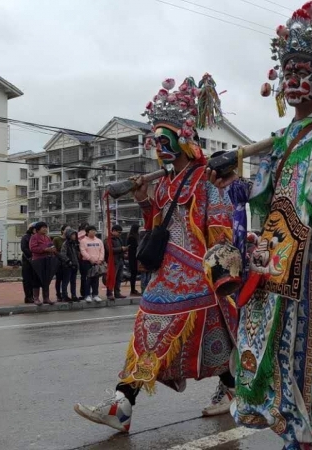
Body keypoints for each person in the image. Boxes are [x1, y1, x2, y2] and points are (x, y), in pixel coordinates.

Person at [207, 3, 312, 446]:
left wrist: (294, 240)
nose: (292, 80)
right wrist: (240, 188)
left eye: (303, 70)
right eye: (287, 72)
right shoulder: (286, 142)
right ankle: (296, 437)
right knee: (279, 362)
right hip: (277, 269)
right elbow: (267, 199)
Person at [74, 74, 238, 432]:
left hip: (199, 274)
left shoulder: (206, 179)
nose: (159, 148)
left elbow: (222, 227)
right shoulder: (163, 183)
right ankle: (126, 403)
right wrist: (144, 199)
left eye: (165, 141)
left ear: (183, 140)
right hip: (166, 274)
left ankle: (125, 404)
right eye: (156, 141)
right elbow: (157, 226)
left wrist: (219, 272)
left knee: (197, 341)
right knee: (153, 330)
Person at [29, 222, 59, 305]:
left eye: (46, 227)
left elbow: (52, 246)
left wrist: (53, 249)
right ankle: (36, 298)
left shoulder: (47, 238)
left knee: (46, 279)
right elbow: (33, 248)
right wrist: (45, 249)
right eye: (43, 227)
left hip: (47, 260)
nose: (45, 229)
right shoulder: (34, 237)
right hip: (37, 261)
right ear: (38, 229)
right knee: (37, 279)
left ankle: (46, 298)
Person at [79, 225, 104, 303]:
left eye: (94, 230)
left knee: (95, 279)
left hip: (97, 262)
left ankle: (95, 295)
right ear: (87, 232)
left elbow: (102, 251)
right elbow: (83, 251)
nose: (93, 232)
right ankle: (87, 295)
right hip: (87, 262)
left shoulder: (99, 241)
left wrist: (100, 259)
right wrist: (90, 259)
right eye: (91, 230)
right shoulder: (83, 241)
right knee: (87, 280)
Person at [105, 224, 128, 301]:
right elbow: (110, 250)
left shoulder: (119, 239)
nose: (120, 234)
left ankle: (117, 293)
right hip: (113, 261)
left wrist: (124, 251)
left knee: (119, 278)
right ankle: (109, 293)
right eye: (119, 232)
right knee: (112, 278)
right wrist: (121, 249)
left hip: (120, 260)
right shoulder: (108, 239)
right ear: (113, 231)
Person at [59, 228, 81, 302]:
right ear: (68, 235)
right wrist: (69, 262)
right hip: (67, 266)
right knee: (66, 281)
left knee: (73, 281)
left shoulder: (75, 244)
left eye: (75, 234)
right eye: (72, 234)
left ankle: (74, 295)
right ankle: (64, 296)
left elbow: (77, 255)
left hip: (75, 265)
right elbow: (62, 254)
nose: (74, 236)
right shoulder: (65, 244)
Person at [20, 224, 37, 303]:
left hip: (36, 261)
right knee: (27, 280)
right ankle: (28, 296)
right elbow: (24, 248)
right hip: (27, 261)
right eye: (34, 229)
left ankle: (33, 296)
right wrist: (31, 255)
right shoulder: (25, 237)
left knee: (34, 280)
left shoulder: (37, 237)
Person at [53, 224, 68, 302]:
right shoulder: (57, 239)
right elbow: (54, 250)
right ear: (62, 230)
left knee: (66, 279)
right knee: (59, 279)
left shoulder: (70, 240)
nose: (68, 231)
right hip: (58, 261)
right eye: (66, 229)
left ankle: (64, 294)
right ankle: (58, 294)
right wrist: (61, 256)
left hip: (67, 262)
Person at [127, 224, 140, 296]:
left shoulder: (132, 236)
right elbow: (134, 247)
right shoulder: (132, 237)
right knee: (133, 274)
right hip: (133, 257)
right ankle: (132, 290)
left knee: (134, 274)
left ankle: (133, 289)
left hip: (133, 257)